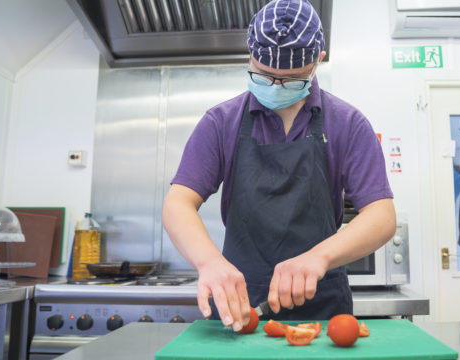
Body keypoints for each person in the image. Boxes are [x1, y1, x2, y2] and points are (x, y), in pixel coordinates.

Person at [162, 0, 395, 332]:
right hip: (239, 305)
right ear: (250, 54)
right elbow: (178, 203)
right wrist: (209, 262)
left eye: (291, 80)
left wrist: (319, 257)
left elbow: (381, 215)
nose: (274, 87)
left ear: (318, 61)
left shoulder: (348, 123)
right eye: (264, 75)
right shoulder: (220, 122)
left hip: (322, 307)